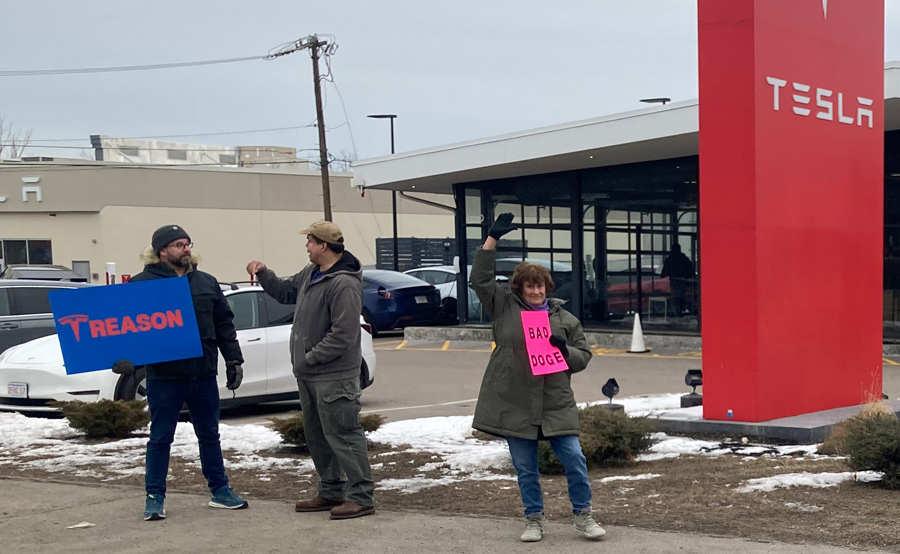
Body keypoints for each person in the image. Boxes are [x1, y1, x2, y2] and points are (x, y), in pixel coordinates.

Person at [469, 212, 606, 542]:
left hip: (555, 400)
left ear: (548, 287)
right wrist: (491, 241)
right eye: (529, 285)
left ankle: (584, 515)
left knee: (574, 457)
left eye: (540, 285)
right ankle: (534, 519)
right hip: (513, 400)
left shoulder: (565, 318)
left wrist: (563, 350)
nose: (536, 290)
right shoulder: (503, 306)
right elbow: (480, 280)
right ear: (519, 287)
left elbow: (582, 357)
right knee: (525, 468)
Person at [246, 220, 374, 520]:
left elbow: (344, 334)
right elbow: (284, 292)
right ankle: (331, 490)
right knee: (317, 436)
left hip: (334, 376)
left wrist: (310, 358)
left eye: (309, 241)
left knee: (344, 434)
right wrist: (263, 272)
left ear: (323, 246)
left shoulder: (343, 283)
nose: (306, 246)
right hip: (310, 375)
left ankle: (361, 496)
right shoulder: (311, 274)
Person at [128, 225, 248, 521]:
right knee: (160, 438)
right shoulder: (142, 283)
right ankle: (154, 496)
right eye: (178, 244)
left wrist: (234, 360)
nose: (185, 249)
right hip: (164, 377)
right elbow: (126, 328)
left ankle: (220, 490)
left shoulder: (206, 282)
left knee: (209, 435)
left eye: (187, 243)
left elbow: (224, 325)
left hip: (203, 374)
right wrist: (125, 359)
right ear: (161, 251)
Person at [659, 243, 695, 317]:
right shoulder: (684, 258)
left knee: (676, 297)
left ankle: (679, 312)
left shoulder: (670, 259)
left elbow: (664, 271)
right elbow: (691, 270)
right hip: (684, 281)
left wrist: (663, 275)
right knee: (680, 296)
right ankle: (687, 307)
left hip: (674, 281)